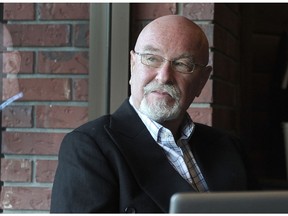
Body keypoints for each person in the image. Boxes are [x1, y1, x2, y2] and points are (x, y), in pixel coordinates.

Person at [50, 15, 254, 213]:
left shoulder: (230, 148)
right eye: (151, 59)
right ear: (133, 64)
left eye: (182, 64)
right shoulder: (90, 148)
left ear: (202, 80)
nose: (164, 76)